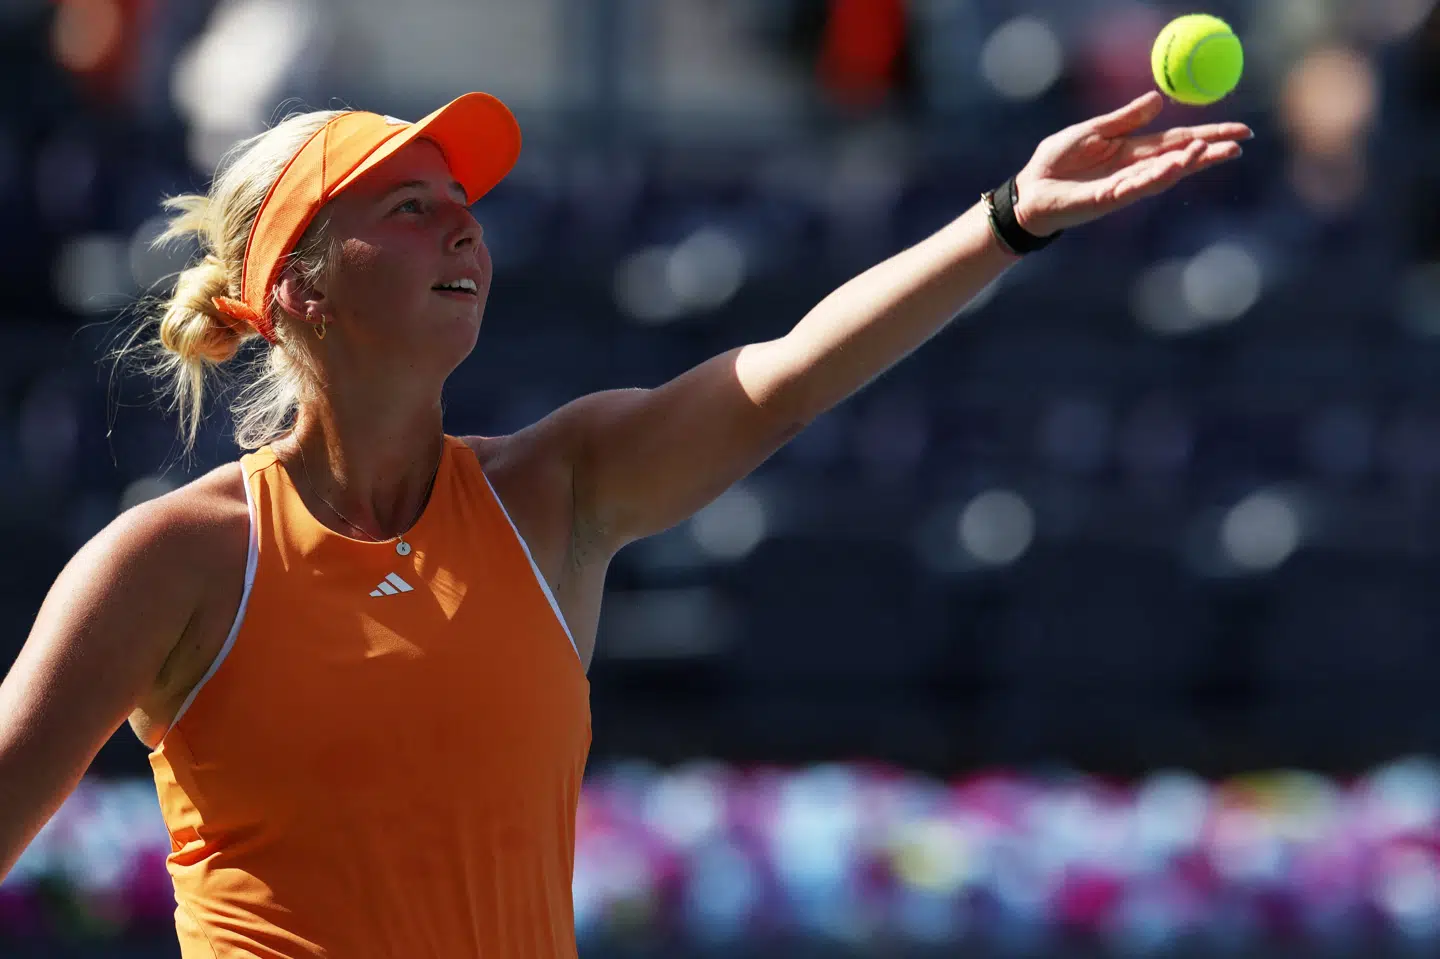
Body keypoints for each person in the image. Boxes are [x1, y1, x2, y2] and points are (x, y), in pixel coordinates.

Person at [0, 90, 1249, 957]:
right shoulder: (172, 558)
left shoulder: (556, 489)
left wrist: (1008, 217)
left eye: (462, 201)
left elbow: (796, 368)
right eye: (409, 207)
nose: (463, 224)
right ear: (296, 287)